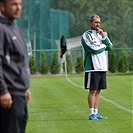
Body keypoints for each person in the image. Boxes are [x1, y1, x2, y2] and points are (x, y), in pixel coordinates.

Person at [0, 0, 31, 132]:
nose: (18, 8)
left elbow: (18, 61)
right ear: (2, 6)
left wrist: (24, 88)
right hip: (9, 96)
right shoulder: (1, 29)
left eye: (20, 4)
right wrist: (3, 91)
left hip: (19, 94)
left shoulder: (15, 28)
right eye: (13, 4)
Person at [81, 14, 113, 120]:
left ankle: (96, 112)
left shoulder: (100, 35)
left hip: (102, 67)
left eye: (99, 22)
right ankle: (91, 114)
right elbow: (93, 49)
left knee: (98, 91)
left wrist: (104, 37)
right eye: (95, 22)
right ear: (90, 23)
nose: (98, 24)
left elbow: (110, 46)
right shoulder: (86, 35)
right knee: (92, 91)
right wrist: (104, 46)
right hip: (92, 67)